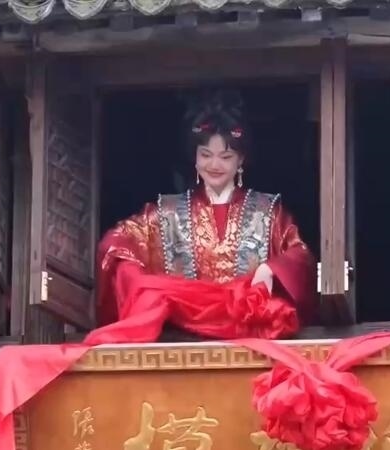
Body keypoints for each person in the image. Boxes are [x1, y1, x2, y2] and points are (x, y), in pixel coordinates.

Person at [95, 92, 316, 331]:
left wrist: (273, 269)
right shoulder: (166, 213)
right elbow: (118, 240)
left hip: (249, 327)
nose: (215, 165)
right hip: (181, 334)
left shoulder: (267, 212)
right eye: (206, 155)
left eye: (226, 157)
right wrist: (132, 275)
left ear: (240, 160)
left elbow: (299, 254)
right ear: (195, 158)